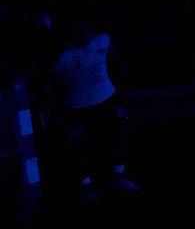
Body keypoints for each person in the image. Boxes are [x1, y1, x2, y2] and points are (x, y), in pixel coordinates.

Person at [48, 17, 139, 196]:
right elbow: (53, 84)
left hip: (107, 99)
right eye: (77, 32)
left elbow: (114, 61)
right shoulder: (62, 57)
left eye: (85, 31)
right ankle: (85, 186)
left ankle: (118, 176)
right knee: (78, 144)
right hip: (76, 106)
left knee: (119, 133)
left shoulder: (103, 40)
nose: (83, 36)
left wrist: (119, 96)